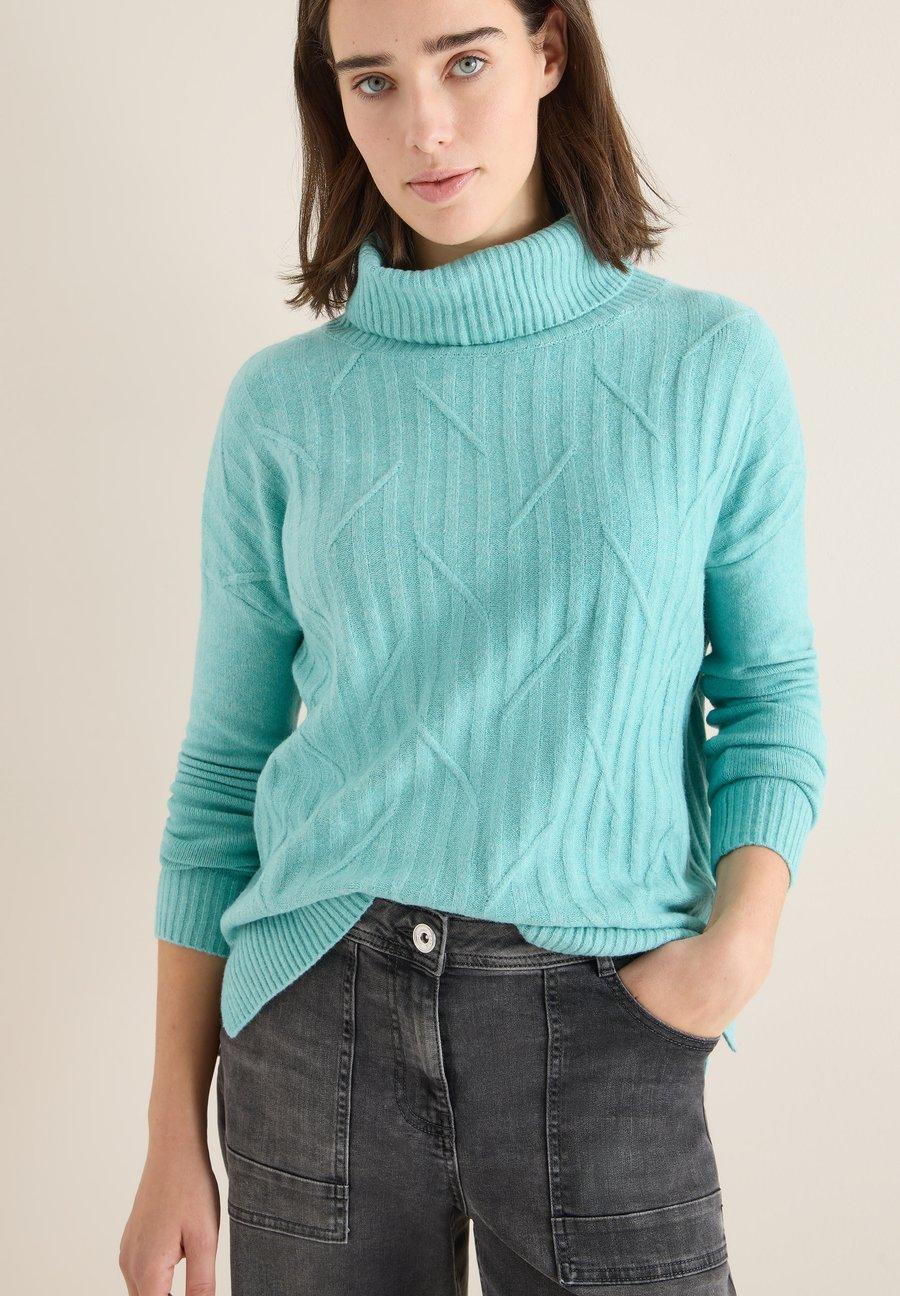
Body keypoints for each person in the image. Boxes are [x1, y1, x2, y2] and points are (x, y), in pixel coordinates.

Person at [119, 2, 827, 1292]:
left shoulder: (707, 364)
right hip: (313, 1018)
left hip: (605, 1010)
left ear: (550, 53)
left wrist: (740, 945)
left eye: (465, 60)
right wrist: (173, 1132)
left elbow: (768, 694)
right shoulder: (282, 406)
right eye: (373, 81)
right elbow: (224, 770)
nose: (426, 128)